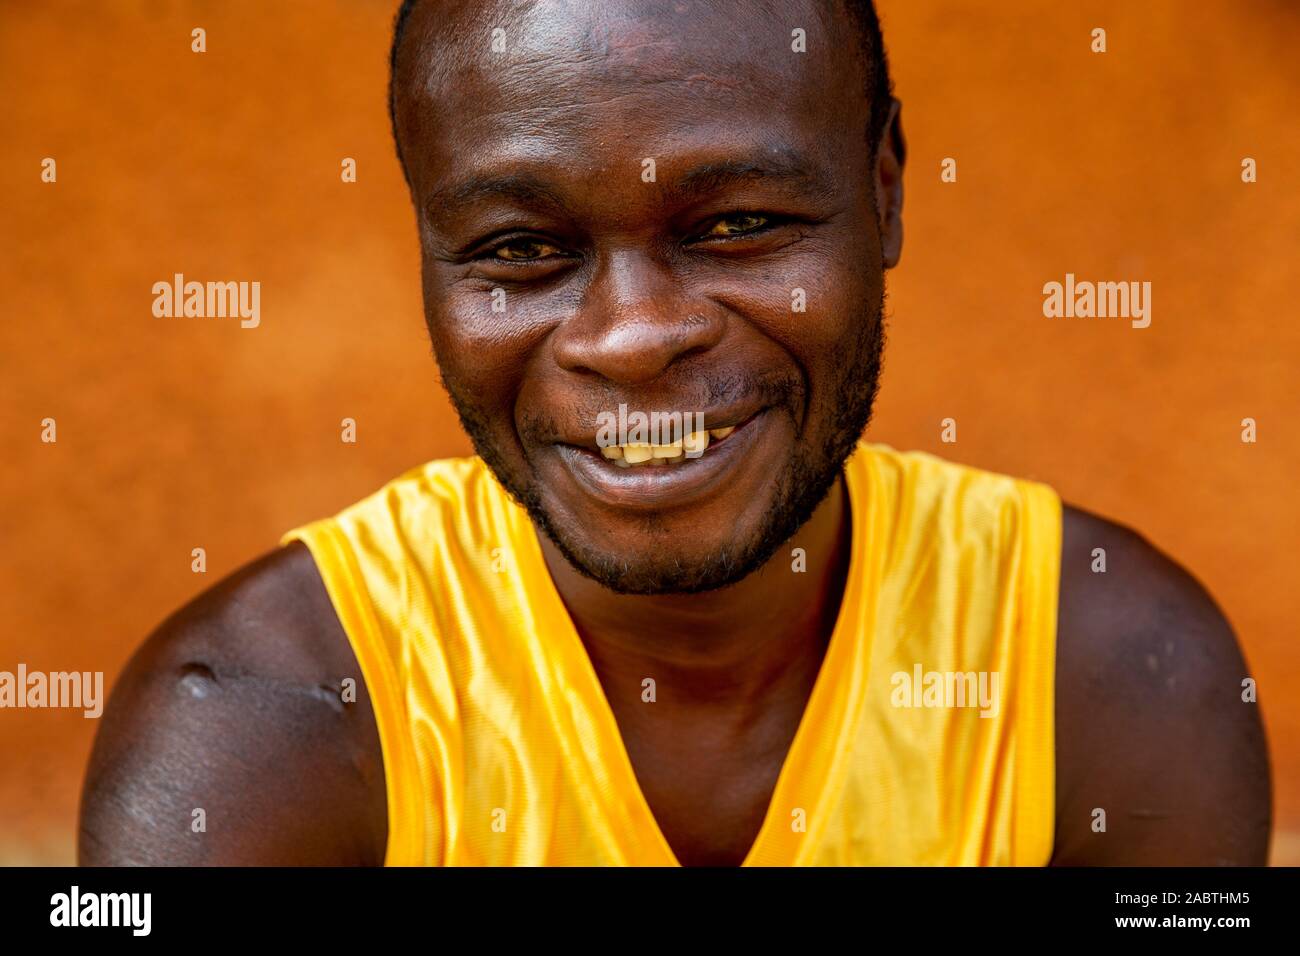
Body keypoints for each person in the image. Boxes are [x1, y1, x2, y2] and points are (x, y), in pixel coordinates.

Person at [79, 0, 1270, 866]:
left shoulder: (1106, 679)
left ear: (886, 190)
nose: (635, 335)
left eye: (741, 223)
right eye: (519, 249)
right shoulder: (257, 726)